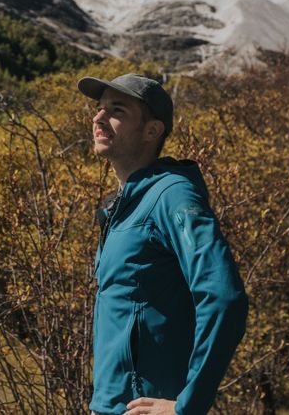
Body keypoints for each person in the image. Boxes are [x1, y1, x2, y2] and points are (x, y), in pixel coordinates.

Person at [77, 72, 248, 415]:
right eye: (99, 108)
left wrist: (187, 405)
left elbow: (224, 298)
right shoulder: (123, 205)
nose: (98, 117)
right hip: (109, 406)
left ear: (152, 130)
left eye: (117, 110)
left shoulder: (173, 195)